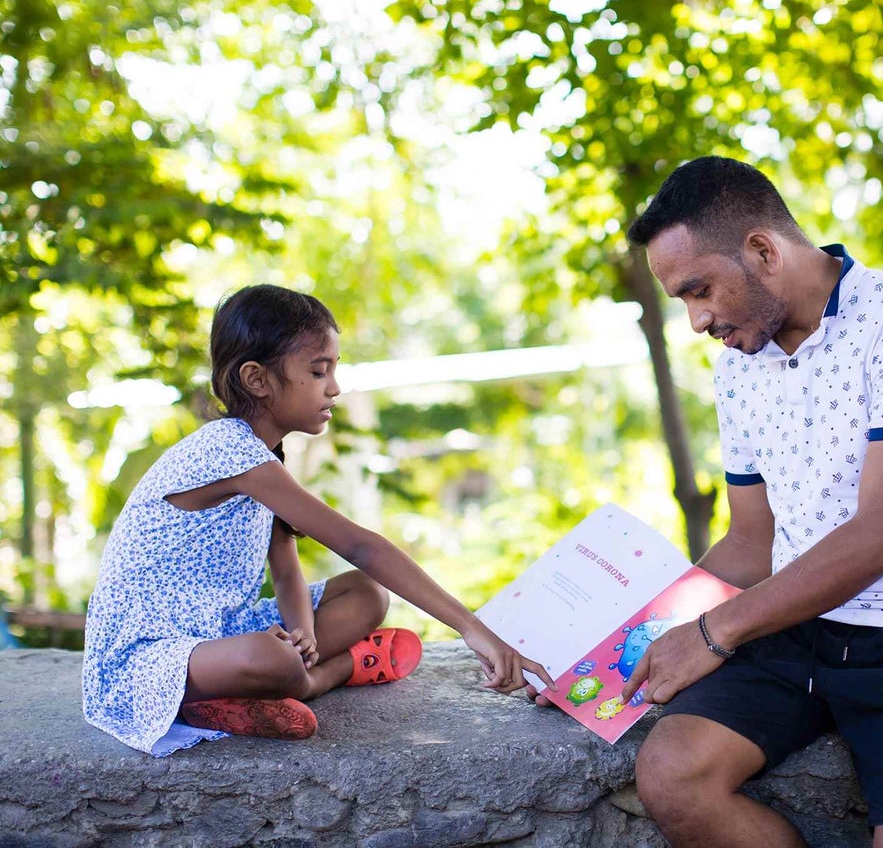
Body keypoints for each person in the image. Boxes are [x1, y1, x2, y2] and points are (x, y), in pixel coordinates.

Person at [620, 157, 883, 848]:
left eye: (699, 289)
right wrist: (612, 650)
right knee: (673, 773)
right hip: (798, 628)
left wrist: (715, 632)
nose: (696, 319)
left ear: (763, 251)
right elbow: (749, 545)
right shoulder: (737, 366)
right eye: (683, 299)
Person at [83, 284, 554, 756]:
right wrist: (472, 628)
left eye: (334, 369)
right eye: (318, 371)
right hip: (147, 659)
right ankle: (330, 674)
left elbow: (285, 563)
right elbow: (361, 546)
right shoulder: (226, 449)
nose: (334, 387)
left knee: (366, 593)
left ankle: (248, 689)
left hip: (220, 631)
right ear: (257, 379)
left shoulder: (263, 457)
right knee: (271, 657)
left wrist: (303, 626)